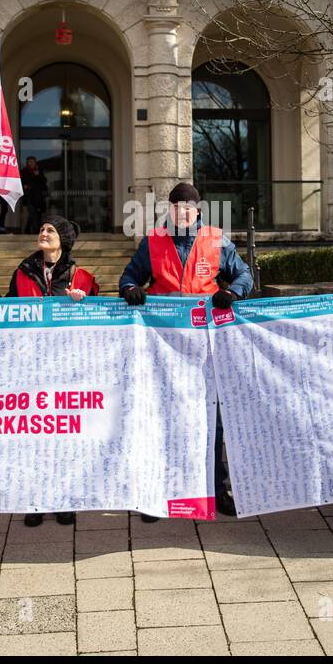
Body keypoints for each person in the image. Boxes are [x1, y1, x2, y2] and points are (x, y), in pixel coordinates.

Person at [119, 182, 253, 519]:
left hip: (204, 342)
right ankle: (158, 491)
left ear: (197, 210)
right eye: (176, 206)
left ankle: (217, 488)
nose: (181, 212)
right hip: (162, 344)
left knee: (211, 417)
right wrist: (131, 288)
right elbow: (129, 277)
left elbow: (244, 275)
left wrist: (232, 293)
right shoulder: (154, 241)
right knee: (161, 414)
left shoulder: (215, 239)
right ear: (171, 210)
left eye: (187, 207)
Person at [0, 215, 98, 528]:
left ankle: (64, 498)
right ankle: (35, 498)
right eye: (42, 228)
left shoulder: (80, 275)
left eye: (51, 230)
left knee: (64, 435)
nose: (43, 232)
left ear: (63, 239)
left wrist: (83, 302)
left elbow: (100, 317)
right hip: (29, 364)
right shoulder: (23, 271)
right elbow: (10, 309)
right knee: (32, 434)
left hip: (66, 365)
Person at [20, 156, 48, 234]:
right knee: (32, 213)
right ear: (27, 163)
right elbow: (20, 183)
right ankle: (36, 231)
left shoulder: (38, 171)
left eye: (33, 162)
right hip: (28, 197)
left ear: (35, 163)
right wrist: (25, 186)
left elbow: (44, 181)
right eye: (30, 162)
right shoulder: (24, 171)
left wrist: (38, 175)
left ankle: (27, 229)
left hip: (39, 197)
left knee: (38, 214)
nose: (32, 163)